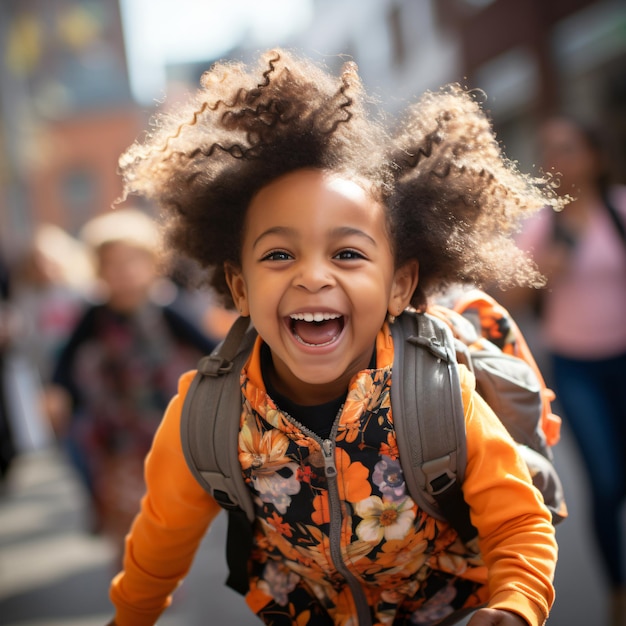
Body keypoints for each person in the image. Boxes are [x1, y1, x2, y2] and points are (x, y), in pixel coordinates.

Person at [106, 50, 563, 626]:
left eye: (347, 254)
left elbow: (518, 522)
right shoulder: (207, 416)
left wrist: (516, 604)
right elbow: (156, 553)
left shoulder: (438, 392)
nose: (313, 275)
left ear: (399, 285)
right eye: (279, 254)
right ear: (240, 289)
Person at [506, 116, 626, 626]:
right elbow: (506, 302)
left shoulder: (620, 209)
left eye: (568, 148)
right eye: (548, 150)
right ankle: (618, 591)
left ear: (593, 156)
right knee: (605, 482)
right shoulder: (541, 226)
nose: (557, 160)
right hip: (574, 368)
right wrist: (541, 274)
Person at [45, 208, 217, 562]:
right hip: (114, 425)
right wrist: (58, 393)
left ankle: (159, 559)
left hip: (162, 423)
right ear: (98, 271)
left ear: (153, 264)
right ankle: (126, 552)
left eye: (132, 262)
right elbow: (64, 362)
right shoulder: (95, 314)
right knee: (120, 496)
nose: (123, 273)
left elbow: (211, 350)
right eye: (112, 265)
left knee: (162, 500)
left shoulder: (167, 307)